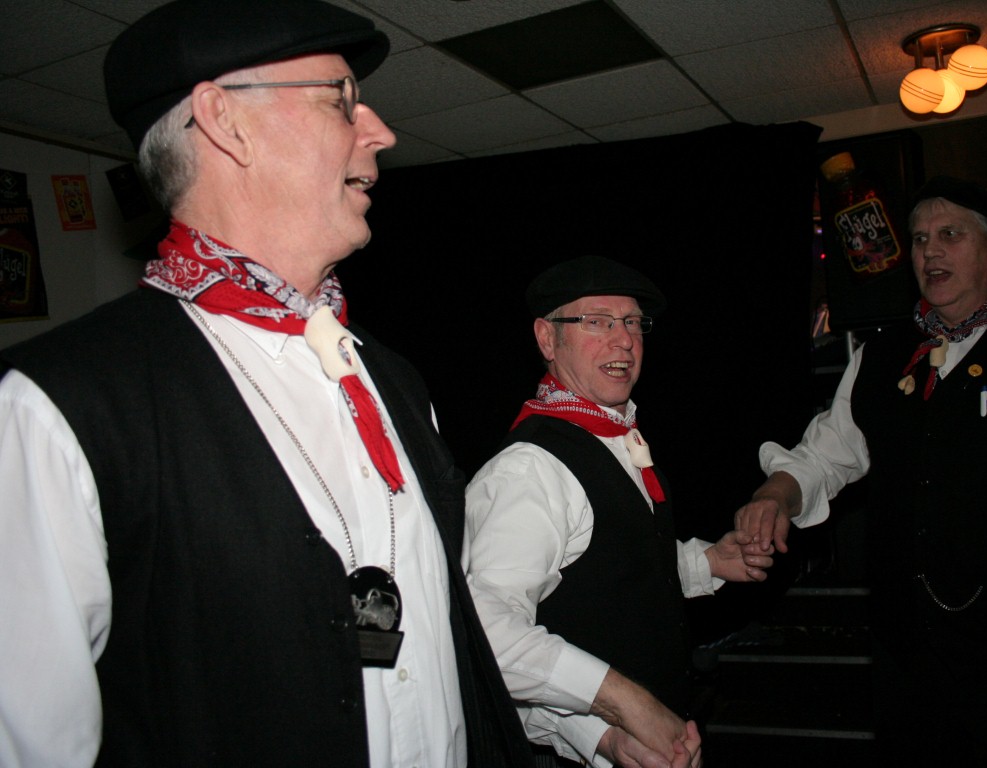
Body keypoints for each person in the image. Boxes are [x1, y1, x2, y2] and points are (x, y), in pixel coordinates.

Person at [0, 1, 533, 766]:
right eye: (340, 100)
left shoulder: (393, 379)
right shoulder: (56, 408)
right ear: (226, 121)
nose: (380, 132)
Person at [734, 176, 987, 767]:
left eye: (950, 234)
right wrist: (776, 494)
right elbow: (824, 457)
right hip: (906, 656)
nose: (930, 251)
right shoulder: (881, 355)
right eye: (920, 238)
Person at [463, 255, 770, 768]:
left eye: (632, 322)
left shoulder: (614, 437)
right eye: (597, 321)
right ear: (547, 339)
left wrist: (709, 563)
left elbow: (612, 565)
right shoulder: (528, 470)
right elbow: (486, 635)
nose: (624, 339)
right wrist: (611, 719)